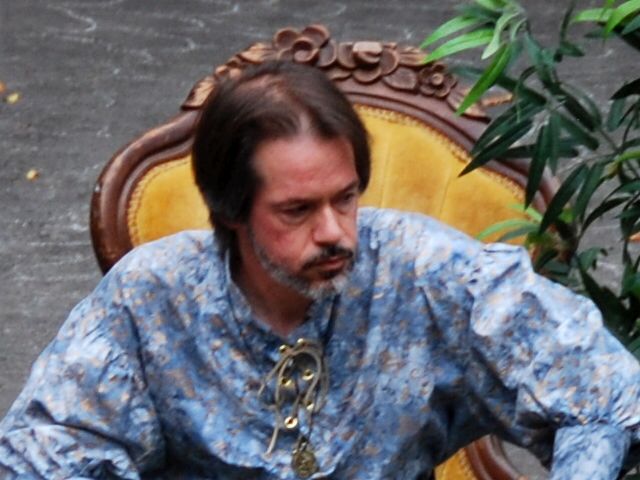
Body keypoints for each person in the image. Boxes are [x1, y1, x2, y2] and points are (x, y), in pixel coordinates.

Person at [1, 60, 639, 480]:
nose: (334, 231)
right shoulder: (151, 298)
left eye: (346, 197)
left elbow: (607, 396)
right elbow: (41, 456)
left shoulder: (428, 273)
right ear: (231, 209)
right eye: (297, 210)